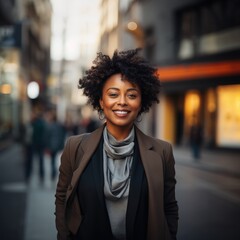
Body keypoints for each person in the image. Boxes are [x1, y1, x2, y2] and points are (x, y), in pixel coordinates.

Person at [55, 49, 178, 240]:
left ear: (141, 102)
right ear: (101, 101)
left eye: (131, 95)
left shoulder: (162, 151)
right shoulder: (75, 147)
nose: (122, 102)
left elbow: (168, 206)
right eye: (113, 94)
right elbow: (63, 198)